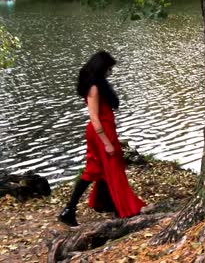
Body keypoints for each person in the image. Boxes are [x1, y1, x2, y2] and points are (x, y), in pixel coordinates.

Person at [58, 50, 146, 226]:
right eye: (108, 69)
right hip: (101, 134)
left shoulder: (98, 84)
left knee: (95, 169)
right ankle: (124, 209)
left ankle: (84, 207)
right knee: (113, 169)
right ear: (101, 68)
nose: (110, 72)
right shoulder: (94, 88)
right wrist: (106, 143)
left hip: (106, 131)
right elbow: (94, 118)